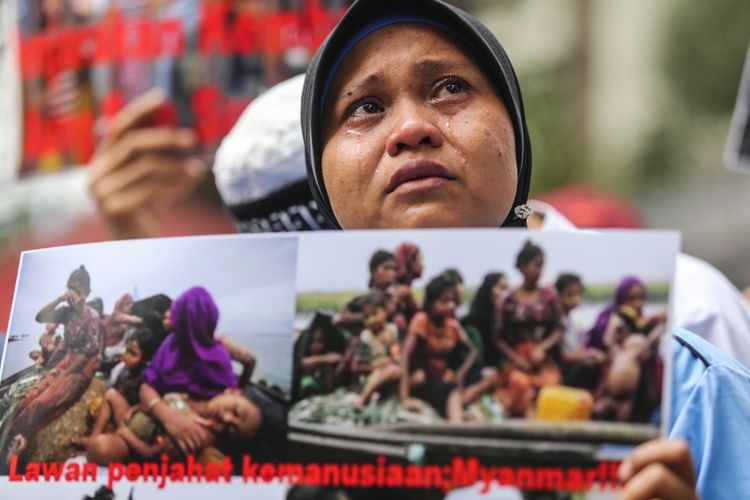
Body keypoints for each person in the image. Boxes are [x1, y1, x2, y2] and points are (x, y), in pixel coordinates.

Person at [299, 0, 750, 497]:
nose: (410, 129)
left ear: (515, 128)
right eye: (365, 107)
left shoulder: (688, 372)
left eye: (450, 88)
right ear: (321, 175)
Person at [0, 265, 102, 466]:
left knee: (39, 404)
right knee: (25, 400)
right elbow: (40, 317)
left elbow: (90, 352)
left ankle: (18, 446)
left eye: (79, 289)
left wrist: (61, 374)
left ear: (87, 292)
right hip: (65, 363)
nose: (75, 292)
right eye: (71, 287)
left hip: (80, 368)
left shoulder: (92, 317)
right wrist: (59, 299)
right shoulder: (66, 312)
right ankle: (6, 442)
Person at [138, 286, 237, 454]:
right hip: (162, 417)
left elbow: (224, 408)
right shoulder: (171, 344)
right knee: (102, 449)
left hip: (196, 431)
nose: (171, 316)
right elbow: (147, 386)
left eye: (177, 312)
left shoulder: (220, 357)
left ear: (188, 321)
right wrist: (167, 416)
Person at [495, 241, 564, 417]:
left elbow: (558, 328)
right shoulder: (507, 299)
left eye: (542, 266)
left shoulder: (549, 295)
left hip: (542, 358)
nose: (540, 270)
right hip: (517, 358)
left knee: (550, 385)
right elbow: (498, 337)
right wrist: (517, 359)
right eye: (537, 265)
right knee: (521, 384)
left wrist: (543, 348)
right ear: (523, 267)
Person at [399, 275, 477, 422]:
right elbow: (405, 356)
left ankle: (456, 419)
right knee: (425, 380)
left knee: (453, 389)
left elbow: (472, 351)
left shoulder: (452, 326)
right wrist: (405, 398)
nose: (450, 306)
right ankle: (454, 420)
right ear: (431, 303)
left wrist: (460, 374)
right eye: (444, 302)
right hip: (422, 379)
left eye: (452, 301)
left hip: (442, 379)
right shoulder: (422, 321)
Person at [351, 290, 401, 410]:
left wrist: (393, 359)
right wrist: (375, 367)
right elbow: (357, 367)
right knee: (388, 371)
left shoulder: (391, 330)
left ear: (385, 311)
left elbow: (395, 352)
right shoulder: (366, 337)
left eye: (375, 314)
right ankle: (363, 398)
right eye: (367, 317)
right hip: (372, 375)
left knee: (398, 370)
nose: (371, 320)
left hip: (391, 371)